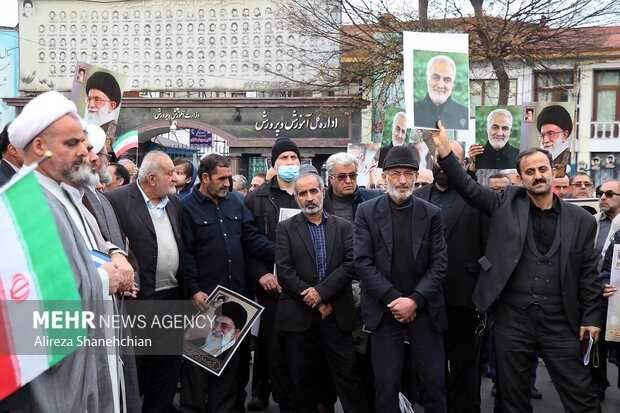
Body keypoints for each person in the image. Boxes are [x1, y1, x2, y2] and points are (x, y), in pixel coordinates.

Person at [432, 120, 602, 413]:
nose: (538, 176)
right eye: (530, 172)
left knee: (581, 397)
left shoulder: (582, 220)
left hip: (560, 321)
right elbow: (468, 189)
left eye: (542, 169)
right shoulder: (504, 204)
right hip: (513, 320)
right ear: (521, 179)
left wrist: (592, 316)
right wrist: (446, 152)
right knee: (512, 400)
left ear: (553, 171)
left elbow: (589, 272)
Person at [4, 91, 114, 411]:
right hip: (54, 380)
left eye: (83, 142)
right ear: (39, 147)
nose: (84, 152)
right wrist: (105, 279)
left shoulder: (62, 194)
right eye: (72, 144)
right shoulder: (28, 203)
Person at [354, 146, 448, 412]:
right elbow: (362, 261)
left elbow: (440, 264)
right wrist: (395, 299)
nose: (403, 180)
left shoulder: (432, 214)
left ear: (416, 176)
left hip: (425, 310)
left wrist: (415, 301)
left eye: (408, 174)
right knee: (385, 384)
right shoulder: (366, 212)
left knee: (434, 383)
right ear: (384, 177)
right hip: (385, 311)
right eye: (396, 174)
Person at [181, 153, 275, 413]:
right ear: (205, 178)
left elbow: (252, 239)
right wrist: (194, 289)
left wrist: (286, 253)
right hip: (203, 303)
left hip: (235, 303)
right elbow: (185, 254)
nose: (227, 184)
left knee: (229, 373)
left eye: (229, 179)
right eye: (222, 179)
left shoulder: (235, 203)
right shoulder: (186, 208)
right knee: (198, 371)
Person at [276, 169, 368, 413]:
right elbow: (284, 272)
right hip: (299, 317)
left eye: (314, 191)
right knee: (301, 380)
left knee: (348, 377)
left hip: (336, 315)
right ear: (296, 198)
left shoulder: (345, 227)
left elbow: (351, 264)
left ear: (323, 192)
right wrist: (316, 300)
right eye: (303, 193)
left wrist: (322, 293)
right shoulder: (285, 228)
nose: (309, 197)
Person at [106, 150, 184, 413]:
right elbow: (109, 243)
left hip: (172, 299)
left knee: (166, 370)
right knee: (134, 370)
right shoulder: (115, 200)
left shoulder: (174, 204)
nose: (175, 178)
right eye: (170, 173)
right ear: (152, 178)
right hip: (137, 302)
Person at [414, 141, 487, 413]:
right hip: (423, 301)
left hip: (465, 300)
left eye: (451, 157)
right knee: (430, 371)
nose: (443, 162)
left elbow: (489, 249)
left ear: (462, 163)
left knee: (464, 372)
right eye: (439, 156)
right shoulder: (417, 197)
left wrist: (484, 293)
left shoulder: (478, 198)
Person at [244, 138, 300, 412]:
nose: (289, 163)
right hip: (270, 283)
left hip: (301, 284)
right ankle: (278, 397)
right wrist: (261, 275)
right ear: (274, 163)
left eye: (293, 158)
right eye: (284, 158)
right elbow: (248, 241)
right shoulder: (258, 197)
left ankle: (286, 393)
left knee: (293, 344)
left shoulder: (306, 193)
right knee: (272, 342)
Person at [322, 152, 382, 410]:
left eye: (353, 176)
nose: (349, 181)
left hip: (366, 288)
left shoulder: (372, 200)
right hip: (330, 289)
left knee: (363, 359)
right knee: (332, 362)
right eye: (342, 176)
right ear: (330, 179)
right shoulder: (318, 203)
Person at [590, 180, 620, 398]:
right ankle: (596, 387)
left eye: (609, 193)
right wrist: (601, 284)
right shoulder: (591, 223)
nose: (603, 197)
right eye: (601, 193)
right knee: (595, 343)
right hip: (597, 295)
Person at [414, 55, 468, 130]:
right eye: (436, 77)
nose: (441, 85)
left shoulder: (465, 114)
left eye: (447, 79)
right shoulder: (413, 112)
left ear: (453, 83)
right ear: (427, 78)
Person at [537, 105, 572, 177]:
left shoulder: (570, 161)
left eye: (550, 134)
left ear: (565, 135)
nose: (545, 140)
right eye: (543, 135)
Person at [84, 71, 122, 137]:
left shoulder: (114, 133)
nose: (90, 105)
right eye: (89, 99)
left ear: (111, 106)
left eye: (97, 99)